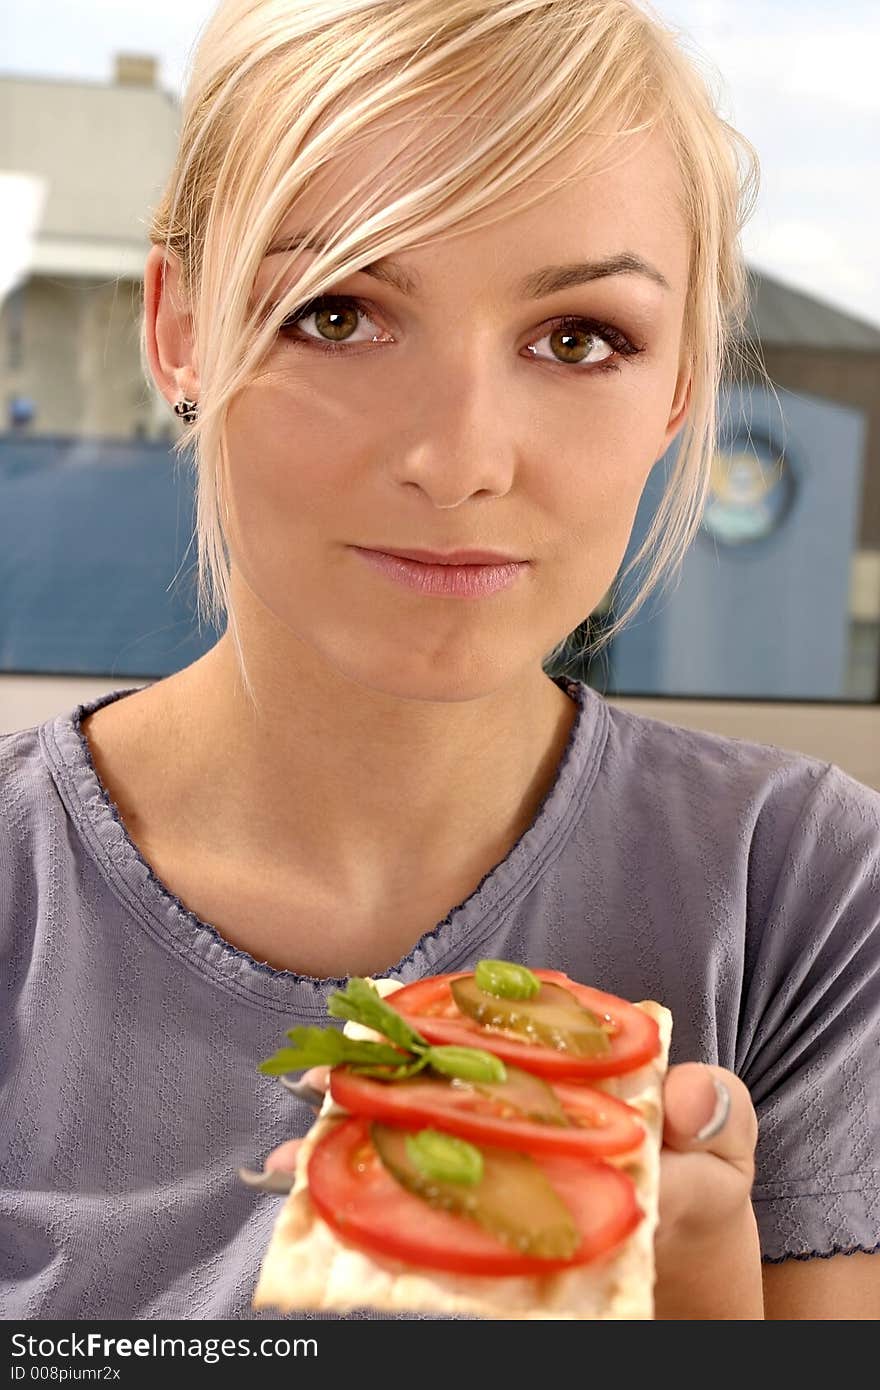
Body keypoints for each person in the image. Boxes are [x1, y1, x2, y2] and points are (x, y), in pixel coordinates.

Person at [1, 0, 877, 1322]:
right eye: (338, 312)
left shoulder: (813, 897)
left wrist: (699, 1303)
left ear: (682, 380)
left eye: (580, 336)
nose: (460, 457)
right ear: (178, 327)